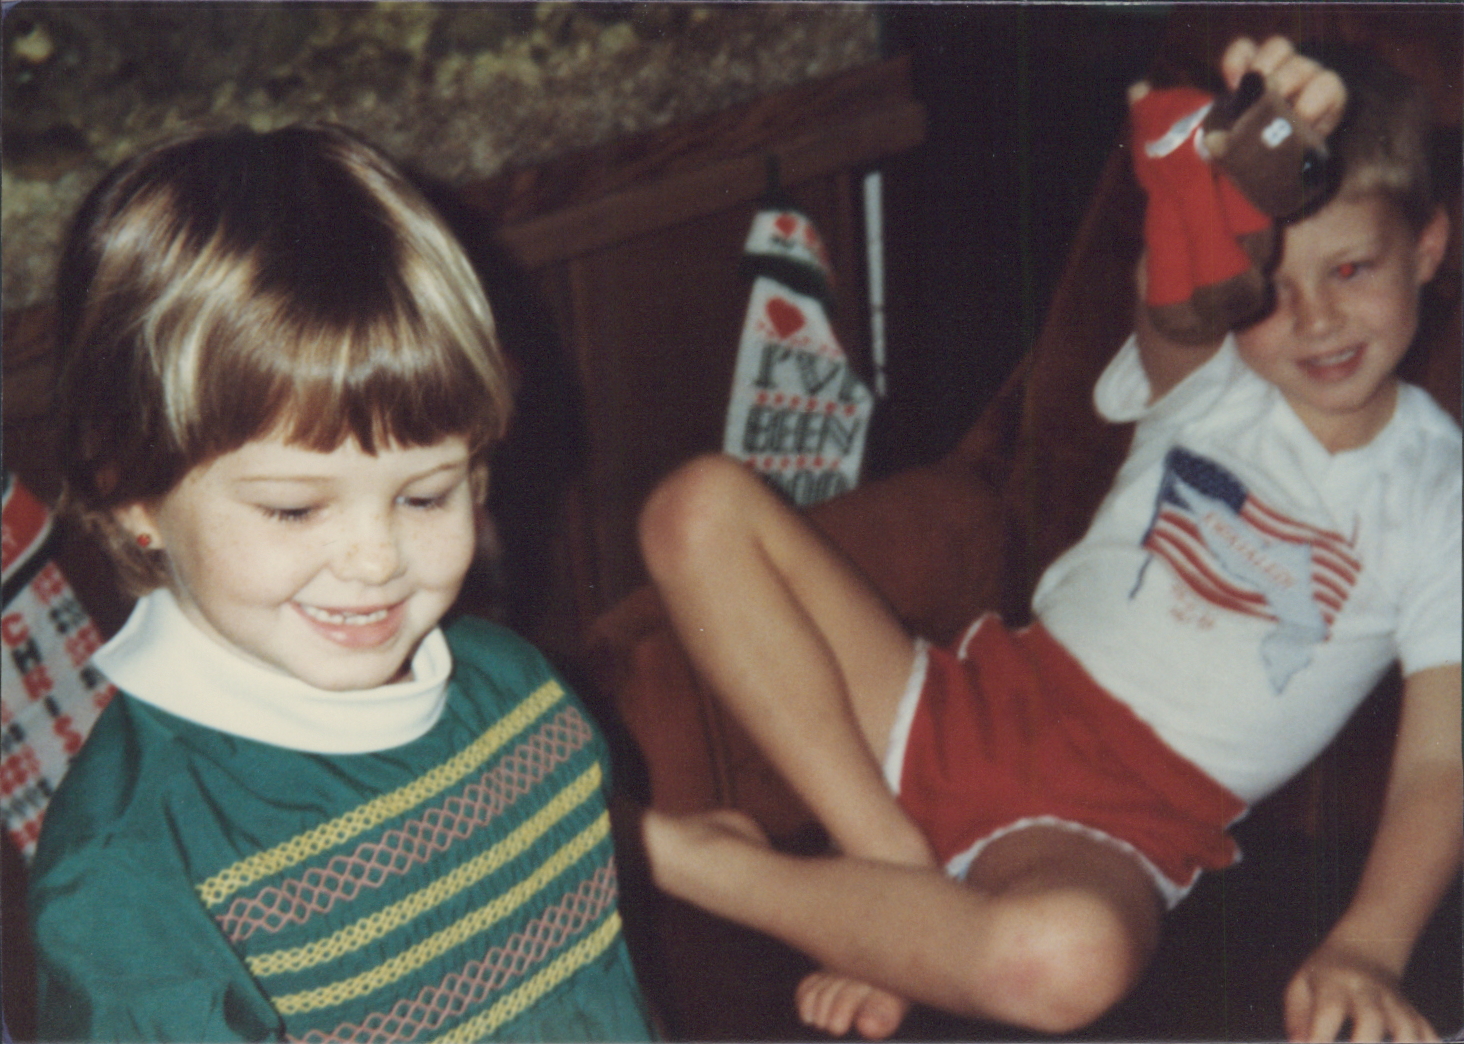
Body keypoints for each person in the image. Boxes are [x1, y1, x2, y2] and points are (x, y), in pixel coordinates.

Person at [636, 35, 1460, 1044]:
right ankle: (887, 875)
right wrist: (1218, 171)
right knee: (696, 506)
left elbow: (1440, 763)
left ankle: (696, 864)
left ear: (1428, 248)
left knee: (1065, 960)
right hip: (953, 707)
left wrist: (1369, 945)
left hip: (1106, 829)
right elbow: (1176, 297)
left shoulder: (1441, 499)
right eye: (1271, 287)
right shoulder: (1212, 376)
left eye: (1353, 268)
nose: (1317, 319)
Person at [28, 124, 653, 1042]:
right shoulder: (133, 872)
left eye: (425, 494)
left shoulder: (521, 694)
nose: (376, 560)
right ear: (133, 497)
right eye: (294, 509)